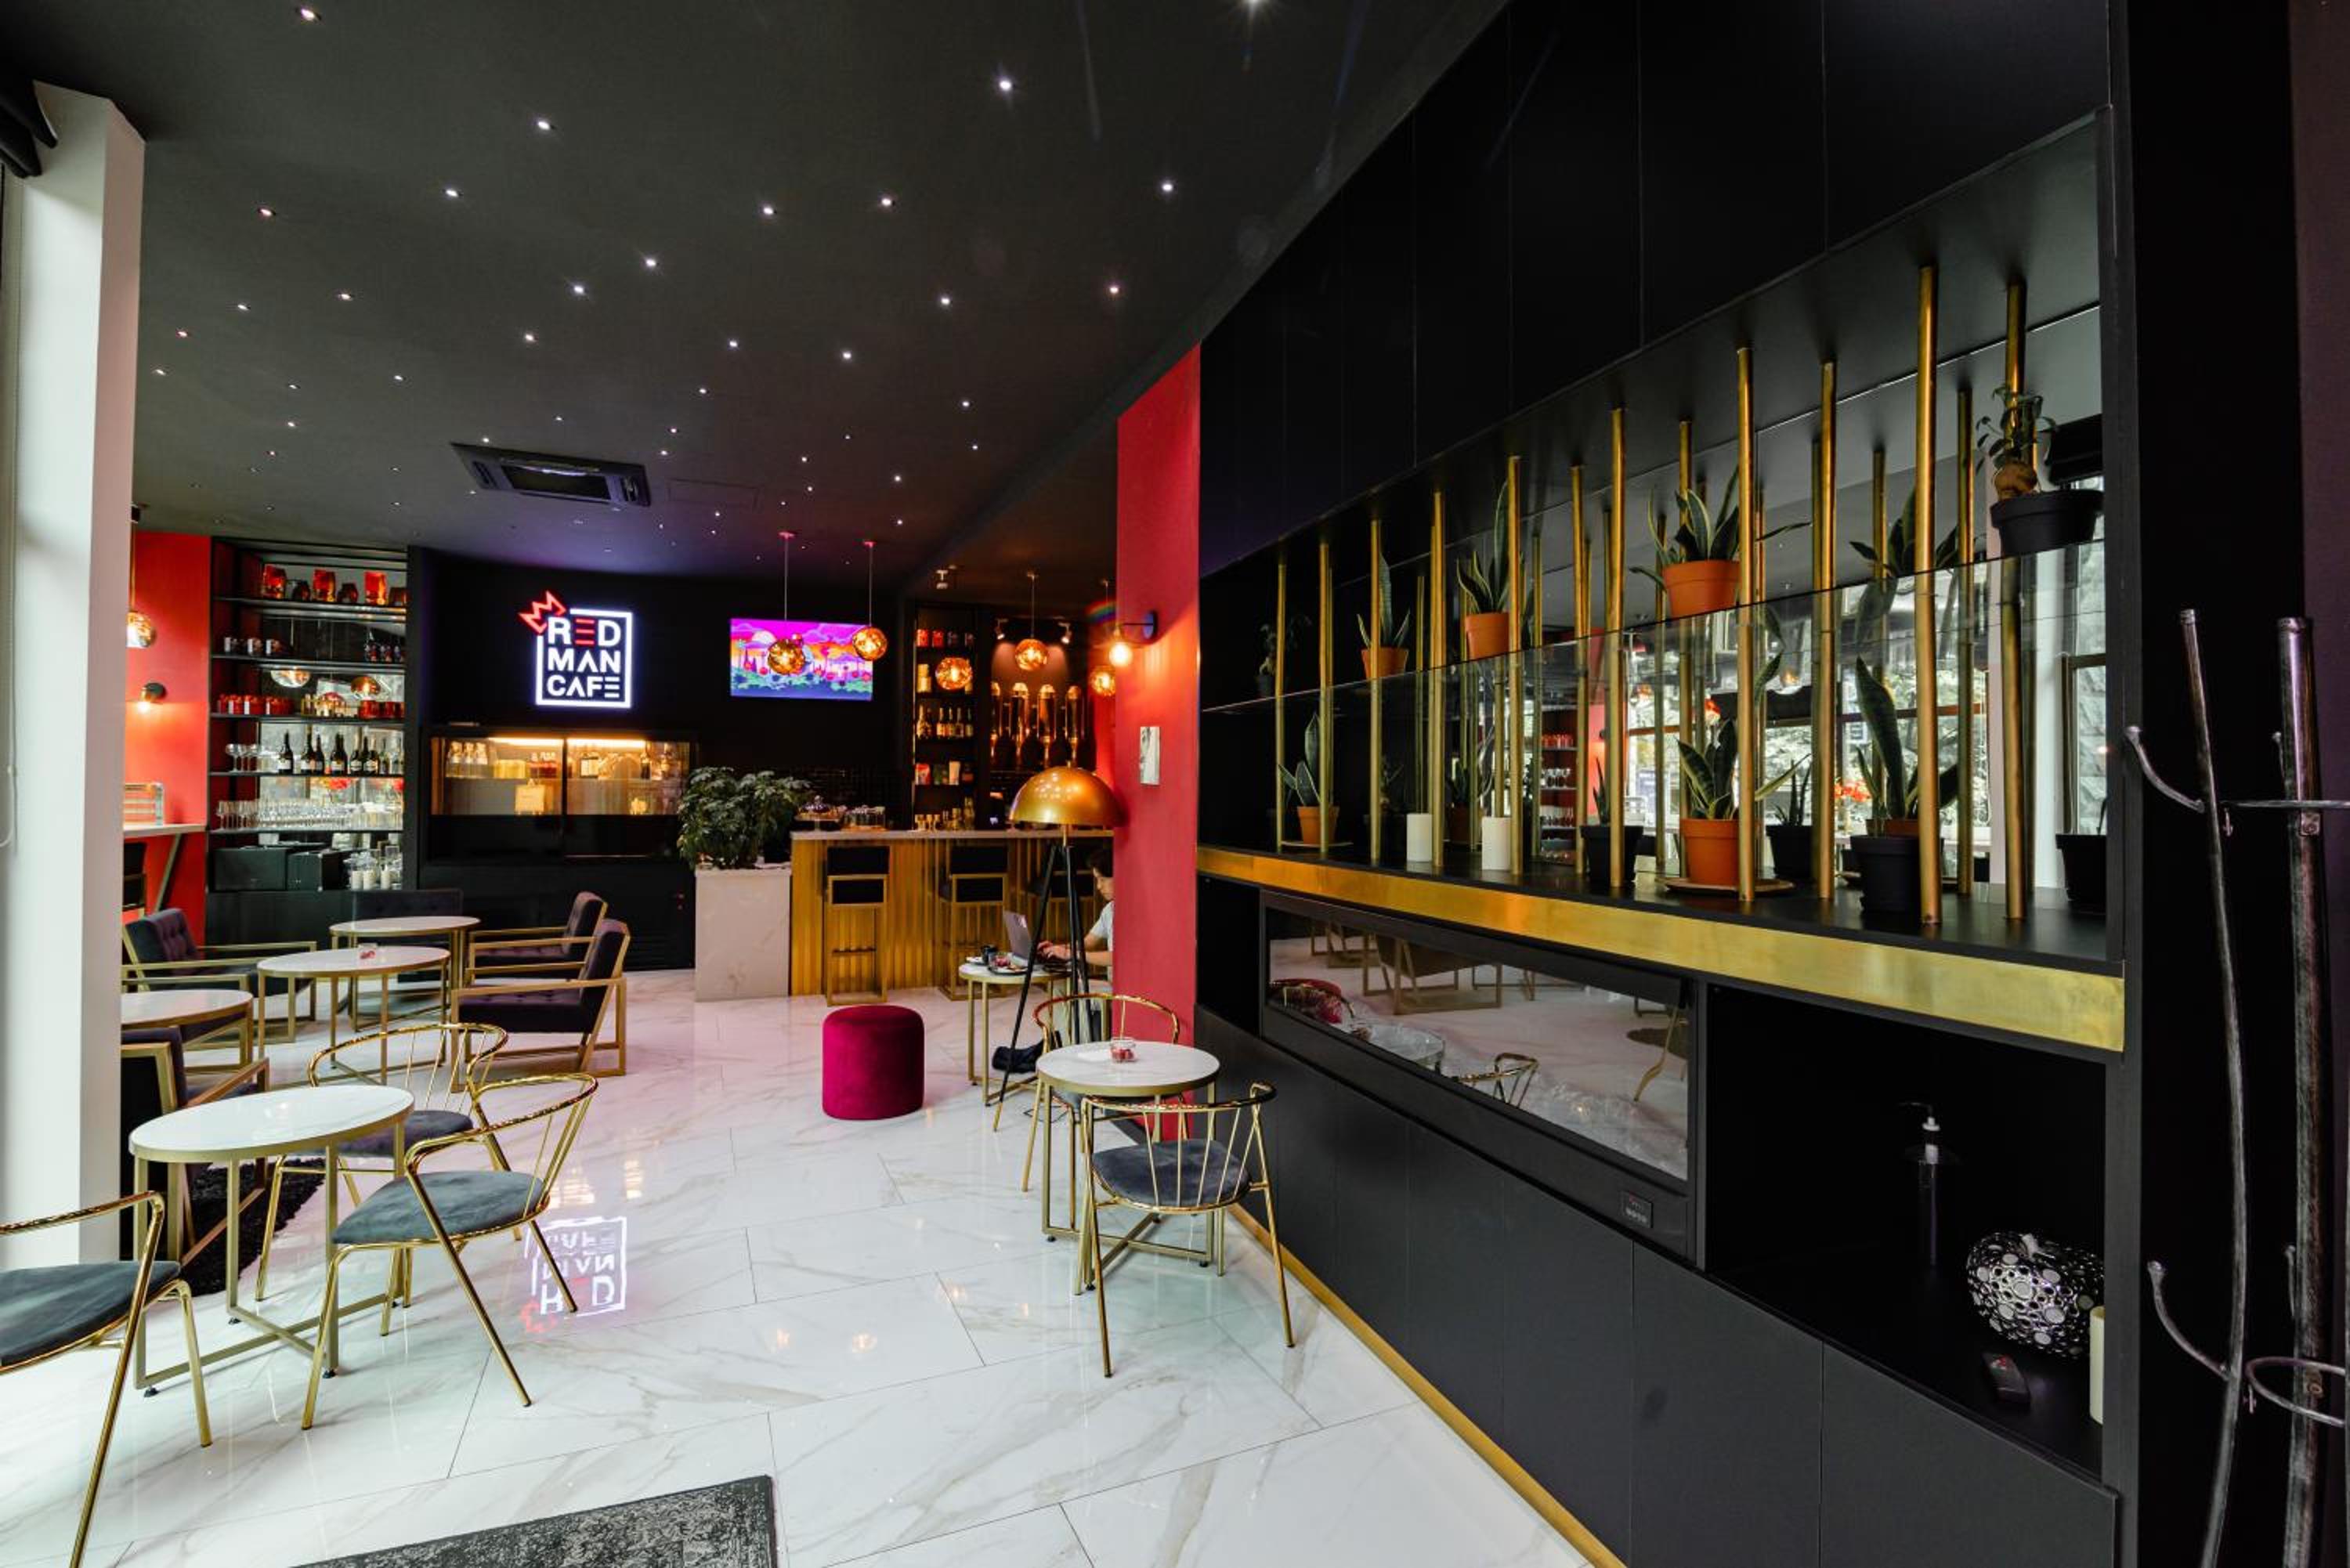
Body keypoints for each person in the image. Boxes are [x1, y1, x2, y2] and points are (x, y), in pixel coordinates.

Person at [1040, 850, 1112, 983]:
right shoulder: (1109, 910)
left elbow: (1116, 958)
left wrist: (1072, 954)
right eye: (1097, 880)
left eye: (1103, 880)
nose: (1098, 886)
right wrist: (1061, 948)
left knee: (1065, 989)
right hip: (1112, 983)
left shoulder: (1131, 914)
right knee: (1061, 985)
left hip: (1123, 989)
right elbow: (1088, 942)